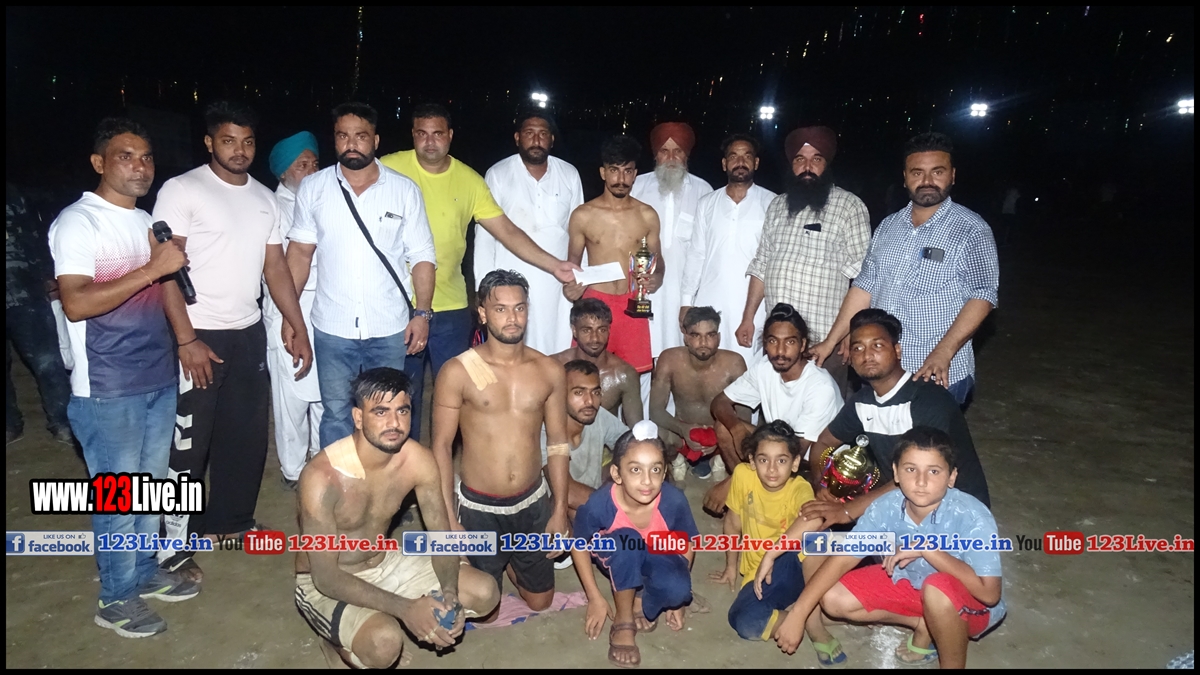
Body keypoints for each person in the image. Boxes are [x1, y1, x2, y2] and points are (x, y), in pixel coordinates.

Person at [49, 117, 197, 637]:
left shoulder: (146, 222)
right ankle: (115, 598)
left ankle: (143, 571)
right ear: (99, 162)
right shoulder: (78, 222)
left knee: (149, 489)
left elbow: (166, 289)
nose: (140, 166)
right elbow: (75, 302)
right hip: (108, 386)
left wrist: (185, 339)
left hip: (156, 375)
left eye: (147, 157)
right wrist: (153, 268)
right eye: (126, 156)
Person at [155, 101, 313, 582]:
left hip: (247, 330)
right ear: (209, 142)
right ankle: (171, 544)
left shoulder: (265, 199)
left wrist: (296, 324)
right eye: (228, 141)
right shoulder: (182, 190)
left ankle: (232, 521)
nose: (239, 150)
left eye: (247, 142)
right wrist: (185, 339)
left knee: (244, 435)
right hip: (198, 332)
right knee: (189, 443)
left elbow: (275, 266)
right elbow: (164, 271)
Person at [381, 104, 577, 441]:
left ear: (450, 136)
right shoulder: (388, 168)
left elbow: (506, 231)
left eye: (438, 134)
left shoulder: (469, 180)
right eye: (422, 134)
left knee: (458, 390)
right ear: (412, 135)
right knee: (401, 390)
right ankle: (405, 459)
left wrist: (555, 265)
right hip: (398, 303)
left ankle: (454, 454)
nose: (430, 142)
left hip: (452, 306)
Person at [294, 368, 499, 668]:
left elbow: (442, 538)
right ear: (358, 418)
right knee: (384, 644)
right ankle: (336, 642)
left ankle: (373, 619)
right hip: (327, 580)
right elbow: (325, 577)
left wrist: (450, 593)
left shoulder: (417, 460)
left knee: (485, 592)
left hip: (384, 561)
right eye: (380, 412)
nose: (394, 423)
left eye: (402, 410)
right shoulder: (321, 477)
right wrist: (406, 609)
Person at [772, 427, 1005, 669]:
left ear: (952, 477)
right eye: (911, 469)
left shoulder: (972, 515)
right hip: (914, 584)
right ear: (896, 472)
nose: (921, 481)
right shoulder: (886, 506)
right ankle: (925, 624)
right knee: (833, 599)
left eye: (934, 471)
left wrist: (929, 550)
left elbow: (989, 594)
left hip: (970, 606)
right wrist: (799, 614)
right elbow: (843, 559)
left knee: (938, 588)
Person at [286, 102, 437, 452]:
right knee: (337, 413)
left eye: (360, 136)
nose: (351, 144)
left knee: (387, 414)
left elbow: (422, 256)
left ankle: (384, 484)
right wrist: (290, 317)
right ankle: (340, 484)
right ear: (334, 139)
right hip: (332, 327)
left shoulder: (403, 190)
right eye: (343, 136)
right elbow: (300, 254)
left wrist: (422, 314)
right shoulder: (314, 188)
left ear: (376, 140)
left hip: (389, 328)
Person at [812, 132, 999, 408]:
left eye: (937, 172)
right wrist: (830, 342)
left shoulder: (971, 230)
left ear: (952, 175)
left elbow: (982, 296)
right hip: (883, 370)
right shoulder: (888, 226)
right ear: (905, 178)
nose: (927, 181)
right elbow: (863, 288)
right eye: (917, 172)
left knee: (926, 438)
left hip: (935, 372)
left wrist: (943, 352)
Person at [432, 270, 570, 612]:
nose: (512, 318)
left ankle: (509, 560)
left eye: (519, 308)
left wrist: (559, 510)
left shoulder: (548, 370)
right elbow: (441, 447)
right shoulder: (457, 371)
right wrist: (449, 520)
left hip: (532, 501)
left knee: (540, 603)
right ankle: (491, 563)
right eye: (501, 309)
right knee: (486, 610)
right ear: (482, 313)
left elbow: (557, 443)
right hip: (478, 508)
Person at [800, 309, 990, 529]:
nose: (867, 355)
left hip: (952, 510)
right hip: (901, 502)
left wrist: (847, 511)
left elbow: (916, 475)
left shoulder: (927, 399)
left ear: (897, 350)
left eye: (877, 346)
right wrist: (822, 484)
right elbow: (823, 442)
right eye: (858, 348)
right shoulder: (862, 402)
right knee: (810, 519)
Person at [739, 126, 870, 397]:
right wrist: (748, 318)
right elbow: (762, 264)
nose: (807, 167)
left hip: (824, 341)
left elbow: (863, 278)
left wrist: (848, 331)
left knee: (824, 414)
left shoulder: (849, 206)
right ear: (791, 164)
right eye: (800, 159)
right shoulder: (777, 205)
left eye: (816, 159)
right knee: (775, 411)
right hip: (777, 342)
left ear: (827, 163)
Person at [570, 421, 699, 668]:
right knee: (628, 541)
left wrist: (677, 601)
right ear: (617, 474)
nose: (647, 481)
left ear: (664, 472)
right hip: (618, 552)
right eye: (636, 470)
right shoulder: (600, 504)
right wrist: (594, 596)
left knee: (679, 589)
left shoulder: (673, 500)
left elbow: (684, 545)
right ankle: (624, 619)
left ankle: (640, 597)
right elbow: (579, 544)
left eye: (655, 469)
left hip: (654, 551)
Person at [715, 421, 843, 667]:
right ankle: (805, 614)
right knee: (743, 620)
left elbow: (815, 518)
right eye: (763, 460)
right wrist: (731, 566)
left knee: (816, 539)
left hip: (795, 567)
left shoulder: (799, 489)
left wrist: (771, 554)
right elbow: (732, 522)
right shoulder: (743, 475)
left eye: (782, 460)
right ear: (752, 461)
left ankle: (814, 626)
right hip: (760, 575)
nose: (772, 469)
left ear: (795, 463)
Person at [705, 304, 842, 512]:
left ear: (803, 345)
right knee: (724, 427)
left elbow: (795, 451)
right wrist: (737, 428)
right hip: (778, 447)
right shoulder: (765, 368)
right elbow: (719, 402)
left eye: (790, 342)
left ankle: (748, 489)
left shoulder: (820, 386)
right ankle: (748, 498)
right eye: (773, 341)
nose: (780, 351)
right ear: (765, 344)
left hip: (813, 465)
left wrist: (734, 479)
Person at [478, 110, 584, 355]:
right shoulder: (498, 174)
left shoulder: (569, 173)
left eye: (543, 134)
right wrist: (484, 286)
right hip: (510, 279)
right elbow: (485, 236)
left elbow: (579, 230)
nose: (536, 140)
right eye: (529, 133)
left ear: (552, 139)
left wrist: (580, 277)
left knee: (558, 342)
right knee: (513, 344)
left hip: (557, 281)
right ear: (517, 138)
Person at [563, 135, 663, 377]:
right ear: (603, 173)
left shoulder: (647, 215)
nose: (621, 179)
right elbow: (572, 267)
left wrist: (657, 277)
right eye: (614, 170)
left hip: (632, 304)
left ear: (635, 174)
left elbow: (657, 261)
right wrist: (570, 289)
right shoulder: (583, 215)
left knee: (631, 377)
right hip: (596, 304)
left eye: (627, 171)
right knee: (588, 374)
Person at [680, 134, 777, 365]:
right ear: (724, 164)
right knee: (709, 368)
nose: (740, 162)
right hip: (710, 301)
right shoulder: (707, 203)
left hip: (754, 307)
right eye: (733, 156)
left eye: (747, 156)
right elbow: (696, 254)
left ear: (756, 163)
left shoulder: (773, 203)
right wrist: (686, 302)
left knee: (749, 368)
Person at [264, 131, 322, 489]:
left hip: (324, 309)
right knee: (293, 397)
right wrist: (290, 318)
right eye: (302, 165)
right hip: (289, 309)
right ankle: (294, 470)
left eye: (315, 164)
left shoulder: (320, 201)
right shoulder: (273, 208)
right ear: (283, 172)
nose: (311, 171)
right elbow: (280, 269)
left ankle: (320, 458)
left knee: (324, 392)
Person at [630, 122, 714, 369]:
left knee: (679, 360)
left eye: (678, 151)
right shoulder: (636, 186)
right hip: (641, 289)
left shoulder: (703, 191)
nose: (671, 158)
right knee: (639, 356)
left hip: (683, 294)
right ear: (655, 155)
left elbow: (704, 251)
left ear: (687, 156)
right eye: (664, 151)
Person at [6, 182, 73, 446]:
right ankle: (9, 424)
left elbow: (35, 234)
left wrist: (48, 275)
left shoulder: (13, 194)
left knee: (48, 361)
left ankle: (63, 422)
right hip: (25, 289)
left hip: (25, 290)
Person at [648, 306, 747, 481]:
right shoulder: (669, 359)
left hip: (720, 434)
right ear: (686, 338)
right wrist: (683, 430)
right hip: (682, 433)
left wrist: (719, 437)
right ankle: (678, 460)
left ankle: (720, 460)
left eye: (710, 335)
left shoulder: (734, 363)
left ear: (719, 337)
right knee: (654, 432)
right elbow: (655, 411)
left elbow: (745, 416)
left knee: (744, 433)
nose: (703, 342)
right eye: (695, 335)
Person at [540, 359, 628, 520]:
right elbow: (568, 492)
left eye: (595, 392)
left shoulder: (597, 415)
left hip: (591, 502)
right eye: (579, 393)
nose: (590, 401)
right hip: (552, 514)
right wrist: (624, 511)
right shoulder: (544, 430)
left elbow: (632, 445)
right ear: (560, 394)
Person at [552, 298, 643, 426]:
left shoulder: (624, 374)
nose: (595, 338)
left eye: (602, 330)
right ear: (574, 331)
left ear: (609, 330)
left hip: (604, 438)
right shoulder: (554, 367)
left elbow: (637, 430)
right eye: (586, 330)